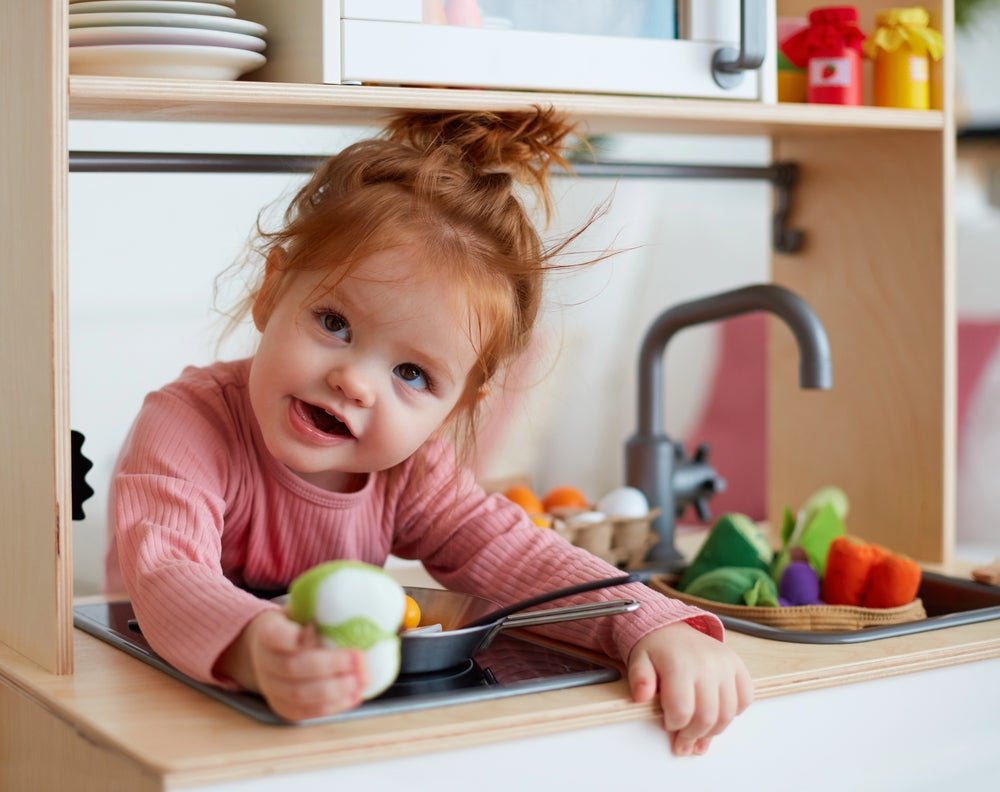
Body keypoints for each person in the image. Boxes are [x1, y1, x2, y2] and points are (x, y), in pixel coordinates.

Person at [106, 107, 752, 757]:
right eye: (334, 322)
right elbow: (166, 577)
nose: (355, 383)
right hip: (154, 709)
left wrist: (651, 623)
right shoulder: (186, 424)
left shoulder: (412, 472)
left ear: (455, 406)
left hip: (318, 725)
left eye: (412, 372)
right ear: (273, 291)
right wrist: (252, 648)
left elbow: (520, 558)